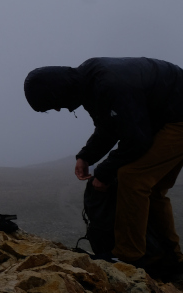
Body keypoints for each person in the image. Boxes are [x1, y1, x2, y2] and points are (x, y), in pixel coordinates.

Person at [24, 57, 183, 278]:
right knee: (153, 190)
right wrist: (86, 156)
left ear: (59, 90)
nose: (60, 108)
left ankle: (129, 256)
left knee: (132, 178)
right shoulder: (90, 82)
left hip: (177, 118)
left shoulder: (108, 84)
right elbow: (110, 127)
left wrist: (104, 173)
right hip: (168, 116)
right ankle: (172, 260)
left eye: (55, 103)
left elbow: (137, 139)